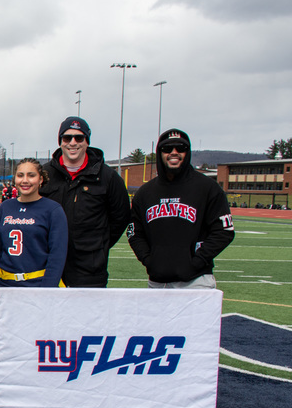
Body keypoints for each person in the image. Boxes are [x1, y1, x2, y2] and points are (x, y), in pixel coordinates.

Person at [128, 129, 235, 288]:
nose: (174, 152)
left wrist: (197, 262)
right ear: (160, 152)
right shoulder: (145, 193)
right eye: (167, 149)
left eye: (180, 148)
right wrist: (150, 261)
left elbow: (224, 231)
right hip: (157, 281)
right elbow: (134, 233)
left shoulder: (207, 188)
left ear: (188, 152)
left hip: (196, 280)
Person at [41, 117, 131, 287]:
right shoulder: (44, 174)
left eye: (79, 138)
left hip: (89, 269)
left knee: (87, 313)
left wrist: (97, 245)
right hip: (47, 264)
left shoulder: (107, 176)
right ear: (60, 141)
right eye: (67, 138)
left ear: (87, 141)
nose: (72, 143)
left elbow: (121, 217)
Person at [0, 158, 68, 305]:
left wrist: (46, 292)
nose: (25, 180)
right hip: (6, 287)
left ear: (41, 179)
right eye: (20, 175)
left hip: (36, 286)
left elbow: (57, 256)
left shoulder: (53, 209)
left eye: (31, 175)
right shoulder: (6, 207)